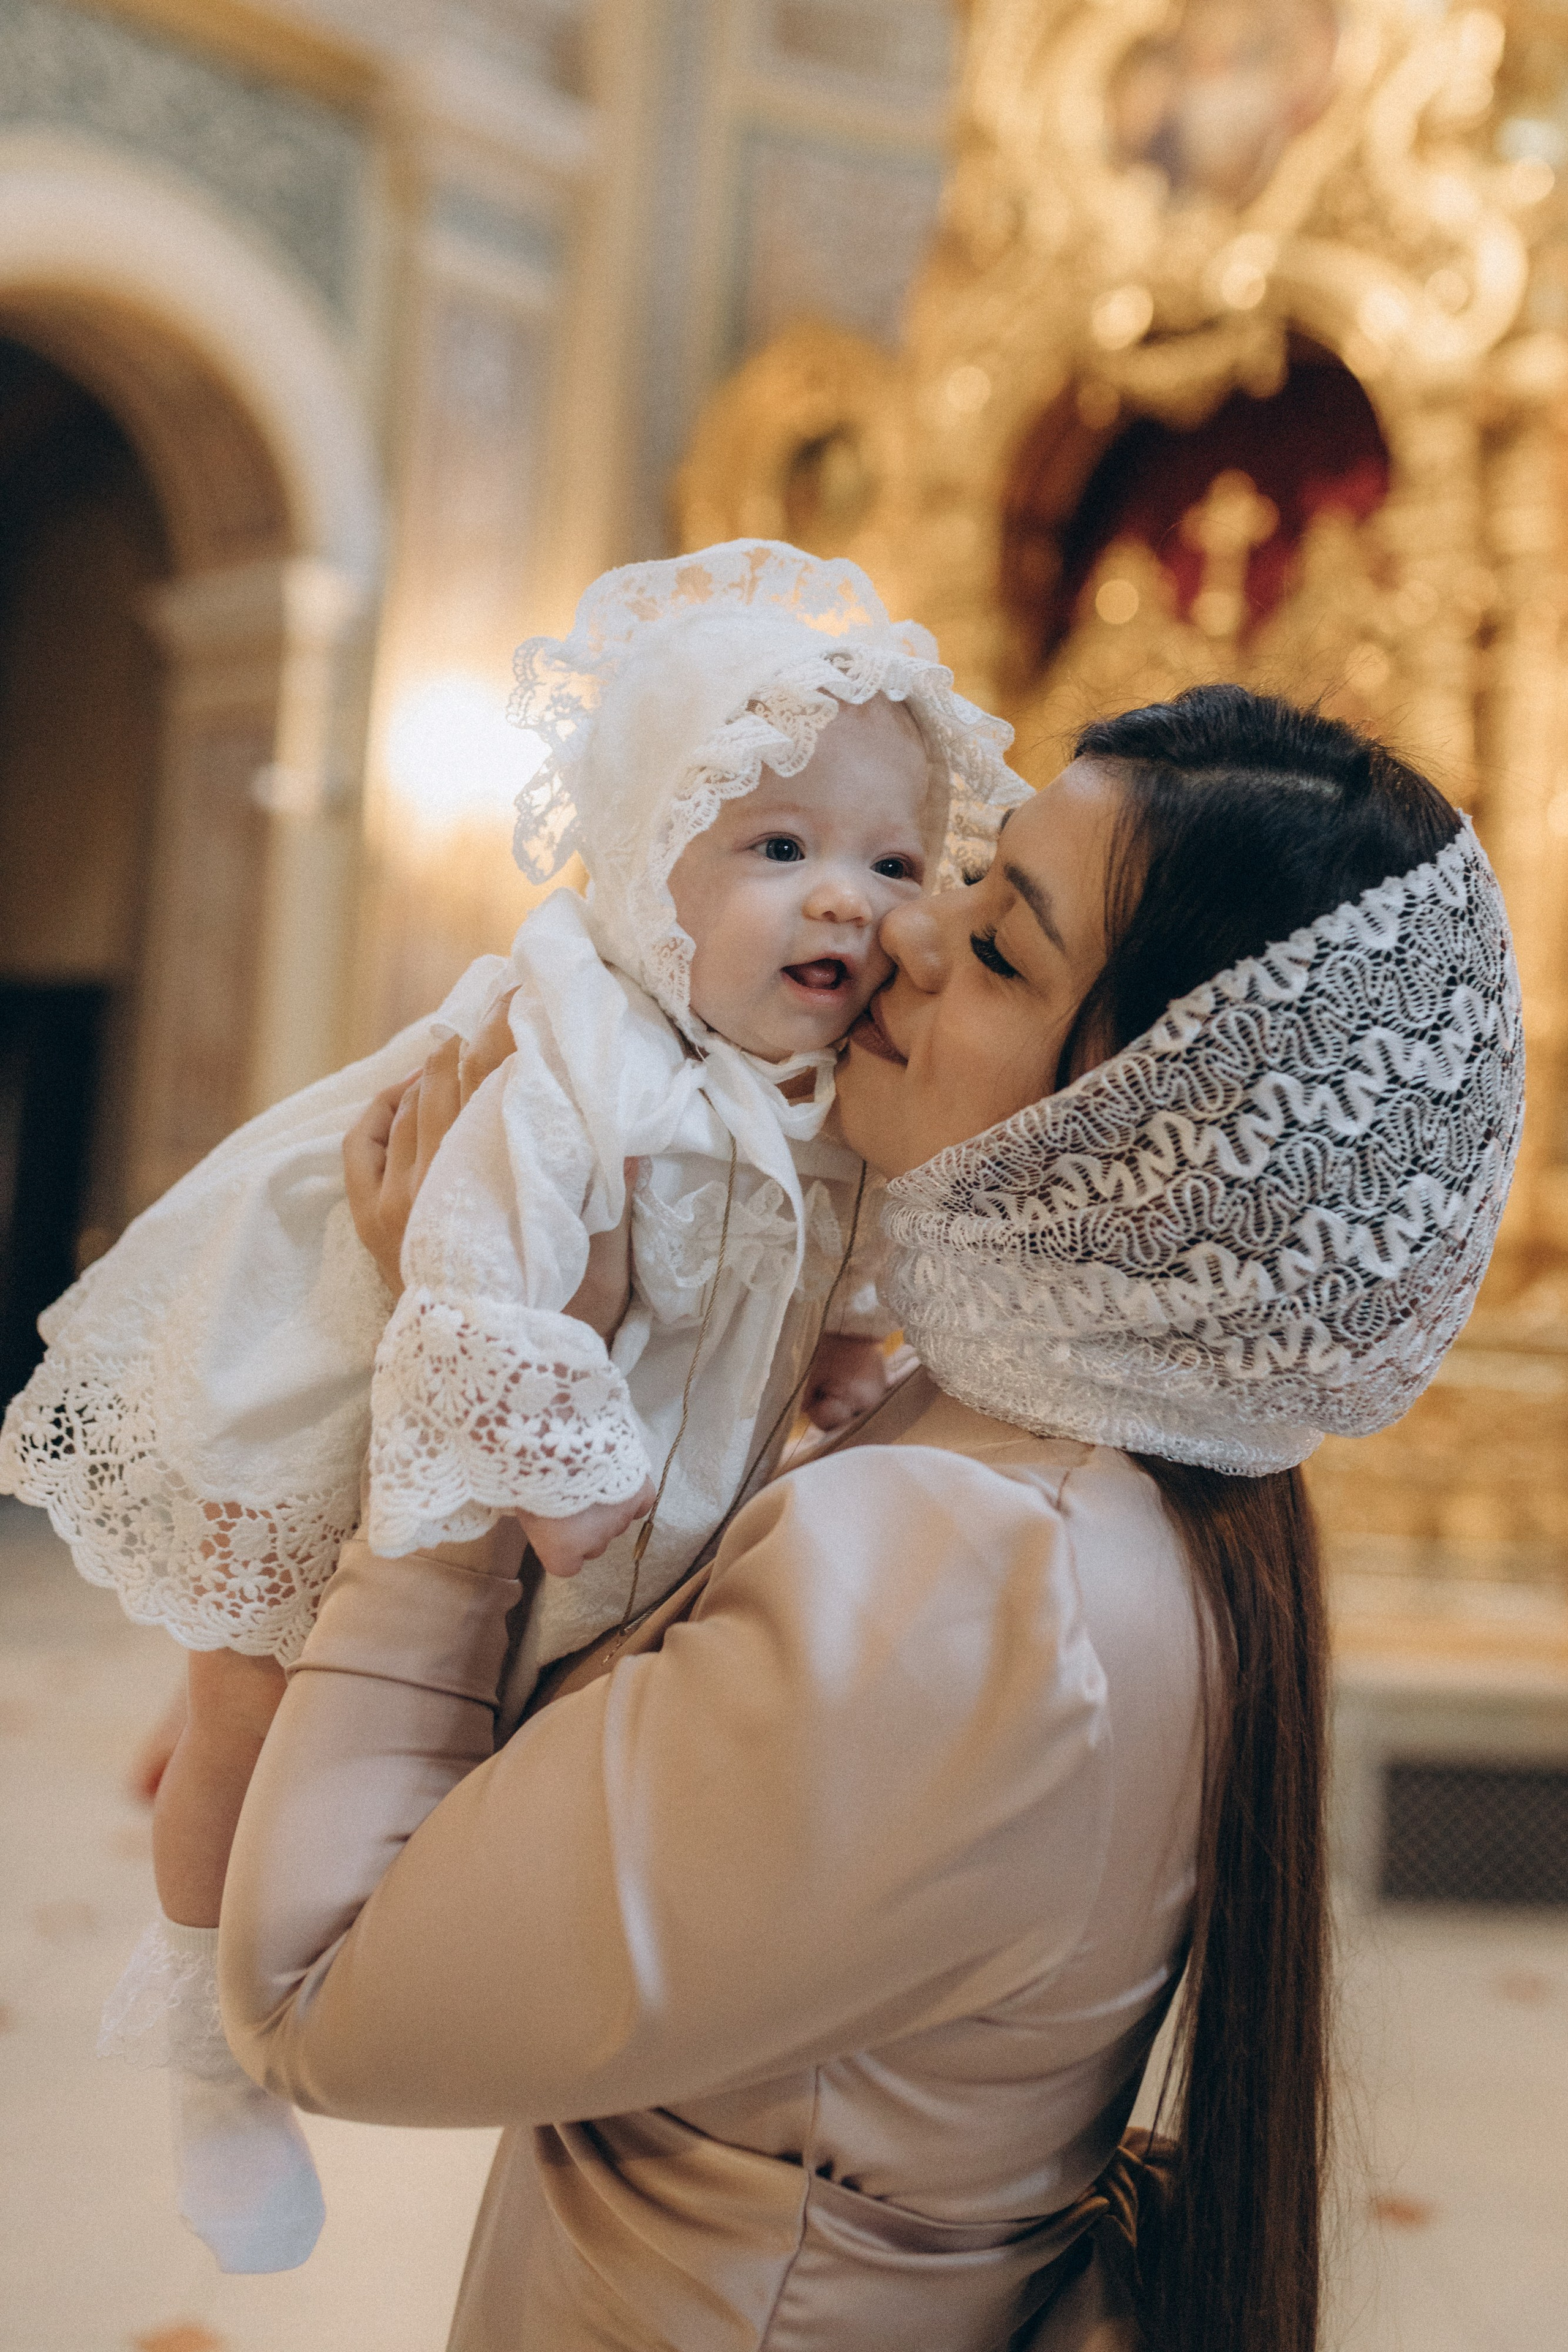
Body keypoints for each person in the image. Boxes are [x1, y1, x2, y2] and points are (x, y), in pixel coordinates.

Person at [217, 685, 1523, 2351]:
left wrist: (478, 1390)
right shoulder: (1089, 1474)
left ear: (1136, 1138)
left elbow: (318, 1987)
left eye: (1002, 950)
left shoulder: (978, 1576)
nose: (909, 933)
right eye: (972, 879)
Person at [0, 540, 1025, 2272]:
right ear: (652, 872)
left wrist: (850, 1349)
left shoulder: (825, 1086)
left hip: (558, 1491)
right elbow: (472, 1290)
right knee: (252, 1704)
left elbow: (845, 1233)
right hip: (349, 1427)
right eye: (778, 849)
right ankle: (204, 2049)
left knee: (443, 1752)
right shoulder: (567, 1064)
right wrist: (579, 1484)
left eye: (889, 858)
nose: (844, 897)